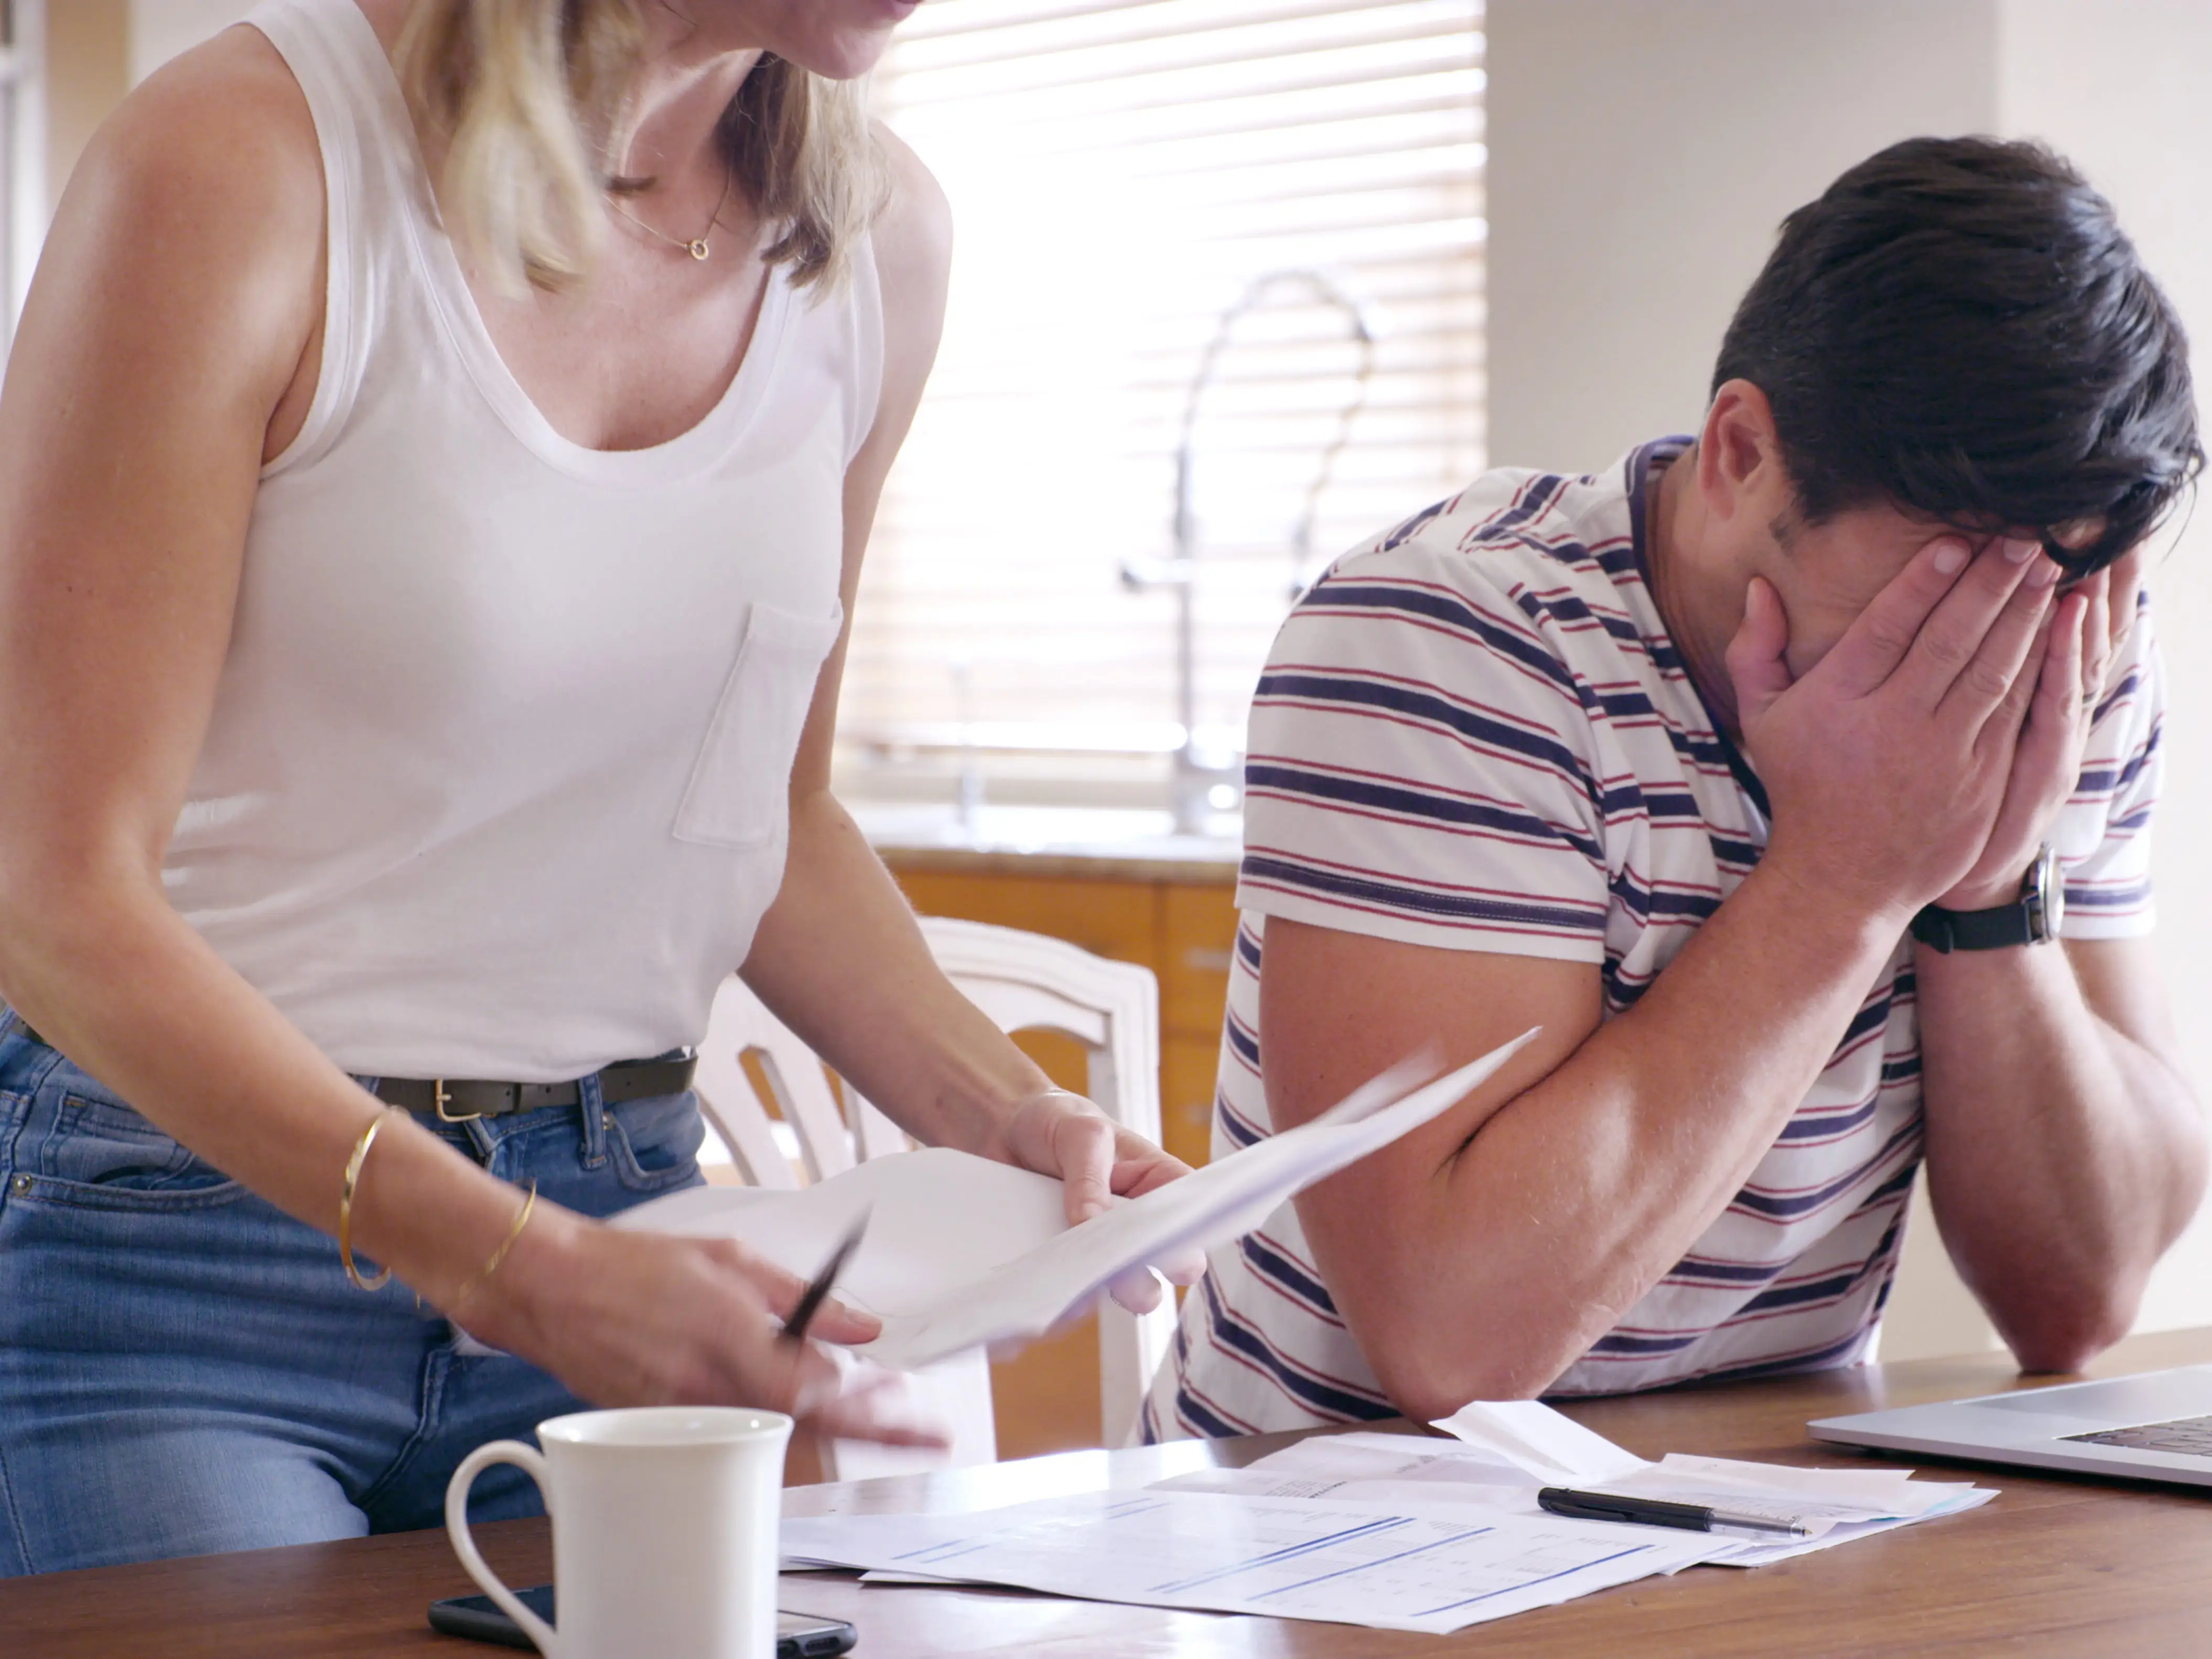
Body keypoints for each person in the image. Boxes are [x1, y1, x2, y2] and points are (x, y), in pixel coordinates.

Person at [0, 0, 1192, 1576]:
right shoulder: (247, 160)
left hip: (632, 1233)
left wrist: (1009, 1115)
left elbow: (774, 819)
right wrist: (509, 1259)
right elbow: (49, 882)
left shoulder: (873, 243)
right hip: (190, 1254)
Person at [1142, 135, 2208, 1440]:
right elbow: (1452, 1337)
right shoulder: (1448, 638)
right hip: (1320, 1539)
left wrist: (1985, 887)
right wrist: (1846, 878)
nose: (1991, 664)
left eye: (2054, 593)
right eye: (1944, 594)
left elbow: (2080, 1296)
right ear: (1741, 451)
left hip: (1758, 1519)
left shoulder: (2068, 640)